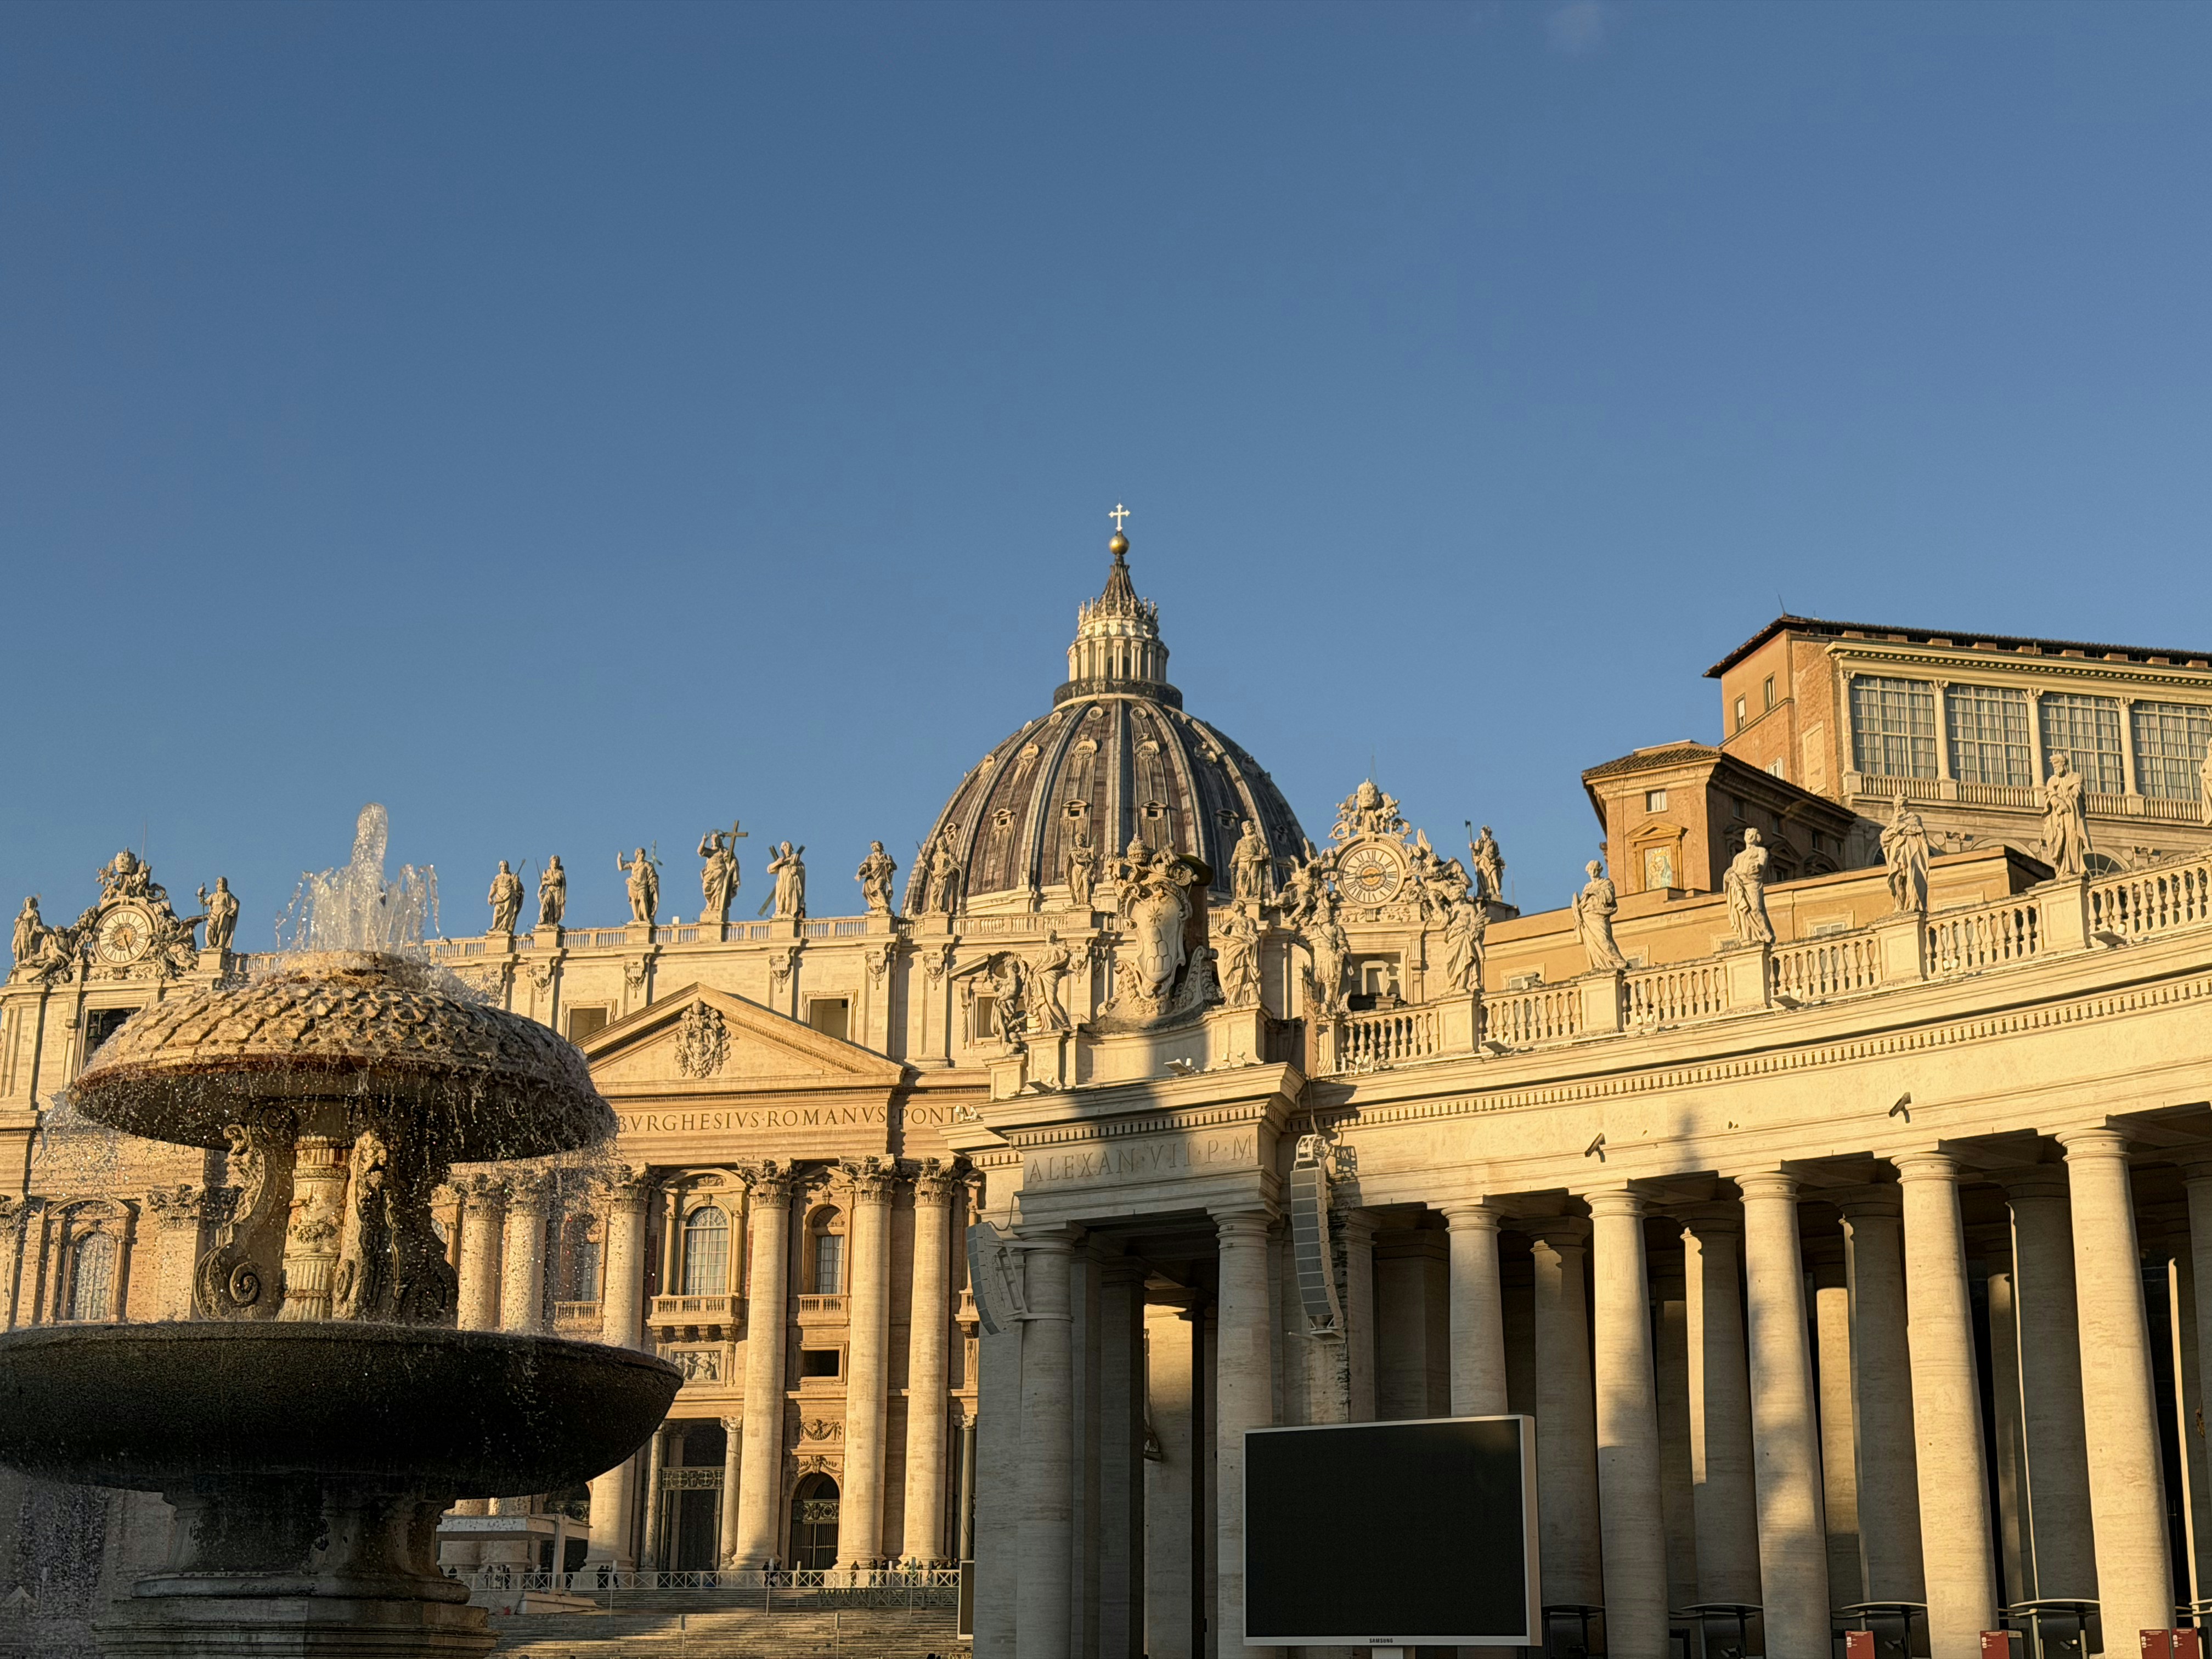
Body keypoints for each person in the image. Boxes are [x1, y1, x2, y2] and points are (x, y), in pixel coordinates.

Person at [2040, 752, 2091, 877]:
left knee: (2074, 837)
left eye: (2057, 764)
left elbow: (2078, 793)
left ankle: (2075, 867)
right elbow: (2051, 796)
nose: (2055, 768)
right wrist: (2058, 802)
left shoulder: (2076, 777)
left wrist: (2069, 797)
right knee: (2061, 840)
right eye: (2054, 766)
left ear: (2064, 764)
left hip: (2073, 815)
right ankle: (2064, 868)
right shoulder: (2052, 781)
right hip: (2060, 818)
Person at [1574, 859, 1629, 972]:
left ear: (1599, 871)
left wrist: (1595, 892)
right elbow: (1582, 903)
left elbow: (1609, 898)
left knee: (1604, 939)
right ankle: (1598, 965)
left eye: (1595, 870)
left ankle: (1618, 962)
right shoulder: (1587, 887)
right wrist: (1576, 907)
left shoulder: (1606, 883)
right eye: (1591, 870)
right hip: (1588, 917)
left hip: (1600, 915)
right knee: (1591, 943)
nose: (1593, 872)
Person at [1880, 795, 1931, 913]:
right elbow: (1885, 838)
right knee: (1897, 880)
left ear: (1905, 806)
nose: (1897, 808)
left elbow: (1919, 831)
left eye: (1900, 805)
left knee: (1911, 879)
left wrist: (1901, 828)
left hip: (1910, 852)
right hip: (1897, 854)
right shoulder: (1893, 822)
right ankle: (1900, 907)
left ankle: (1912, 904)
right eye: (1896, 805)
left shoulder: (1914, 818)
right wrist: (1896, 829)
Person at [1724, 830, 1775, 945]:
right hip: (1740, 885)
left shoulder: (1761, 851)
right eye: (1747, 834)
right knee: (1743, 911)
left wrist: (1758, 866)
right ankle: (1748, 937)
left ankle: (1767, 933)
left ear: (1757, 837)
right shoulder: (1739, 857)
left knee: (1756, 908)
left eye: (1752, 834)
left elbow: (1762, 865)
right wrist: (1728, 875)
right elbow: (1732, 869)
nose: (1750, 836)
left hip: (1753, 883)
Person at [697, 827, 742, 927]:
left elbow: (732, 861)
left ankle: (717, 907)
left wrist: (732, 862)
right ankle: (710, 905)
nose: (715, 842)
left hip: (720, 874)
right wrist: (704, 841)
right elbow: (700, 851)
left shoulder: (723, 852)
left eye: (717, 840)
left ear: (719, 841)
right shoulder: (710, 852)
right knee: (706, 888)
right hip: (709, 875)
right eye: (713, 840)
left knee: (718, 892)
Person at [1230, 820, 1271, 902]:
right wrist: (1233, 862)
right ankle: (1243, 894)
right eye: (1245, 828)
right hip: (1242, 862)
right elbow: (1236, 854)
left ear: (1252, 829)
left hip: (1253, 860)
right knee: (1241, 877)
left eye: (1248, 828)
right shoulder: (1240, 842)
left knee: (1253, 877)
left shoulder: (1256, 839)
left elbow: (1264, 847)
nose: (1247, 829)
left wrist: (1266, 853)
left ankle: (1253, 894)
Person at [617, 847, 659, 925]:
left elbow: (653, 874)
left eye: (644, 854)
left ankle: (646, 918)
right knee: (634, 900)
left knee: (643, 898)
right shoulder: (632, 865)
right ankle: (636, 918)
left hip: (642, 884)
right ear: (637, 855)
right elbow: (621, 868)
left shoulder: (647, 864)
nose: (643, 855)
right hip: (633, 884)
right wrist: (619, 858)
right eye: (641, 854)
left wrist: (654, 880)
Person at [198, 878, 240, 952]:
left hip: (224, 916)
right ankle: (209, 945)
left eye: (224, 883)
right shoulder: (213, 896)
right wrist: (200, 895)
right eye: (220, 883)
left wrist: (233, 909)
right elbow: (204, 903)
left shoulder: (227, 895)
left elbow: (235, 902)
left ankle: (221, 945)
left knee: (222, 931)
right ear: (217, 885)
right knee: (209, 930)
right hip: (213, 916)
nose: (222, 885)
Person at [856, 841, 898, 916]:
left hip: (881, 876)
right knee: (866, 891)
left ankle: (884, 904)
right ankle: (878, 908)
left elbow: (895, 867)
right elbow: (864, 867)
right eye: (873, 846)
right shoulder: (870, 857)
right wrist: (859, 875)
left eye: (876, 846)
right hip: (871, 877)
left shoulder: (886, 857)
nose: (874, 848)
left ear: (880, 847)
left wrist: (889, 863)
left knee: (877, 889)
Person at [768, 842, 807, 919]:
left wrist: (796, 869)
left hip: (791, 881)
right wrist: (777, 863)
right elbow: (770, 869)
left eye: (786, 847)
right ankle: (780, 912)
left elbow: (802, 869)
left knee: (789, 895)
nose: (784, 849)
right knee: (780, 896)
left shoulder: (796, 860)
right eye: (783, 847)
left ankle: (788, 911)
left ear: (791, 849)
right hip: (781, 882)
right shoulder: (781, 862)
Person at [1063, 830, 1098, 911]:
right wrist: (1066, 876)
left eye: (1079, 839)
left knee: (1086, 883)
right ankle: (1078, 902)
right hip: (1076, 870)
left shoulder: (1088, 849)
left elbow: (1093, 860)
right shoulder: (1074, 851)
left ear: (1083, 839)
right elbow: (1078, 860)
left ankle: (1087, 902)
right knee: (1077, 886)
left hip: (1086, 870)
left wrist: (1092, 853)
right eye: (1076, 839)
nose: (1078, 841)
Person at [486, 861, 524, 933]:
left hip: (509, 896)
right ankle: (495, 926)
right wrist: (490, 896)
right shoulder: (498, 877)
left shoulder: (511, 876)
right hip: (499, 897)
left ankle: (504, 927)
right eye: (503, 866)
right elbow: (494, 887)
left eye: (506, 866)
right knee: (497, 911)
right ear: (500, 868)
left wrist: (516, 882)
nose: (504, 868)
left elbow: (517, 889)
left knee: (508, 912)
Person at [537, 856, 567, 928]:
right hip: (549, 891)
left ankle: (554, 923)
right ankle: (542, 921)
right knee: (545, 903)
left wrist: (547, 882)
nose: (555, 862)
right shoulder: (547, 872)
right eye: (554, 860)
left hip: (557, 892)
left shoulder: (560, 873)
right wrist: (539, 893)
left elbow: (559, 883)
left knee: (556, 908)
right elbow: (543, 884)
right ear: (551, 862)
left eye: (557, 861)